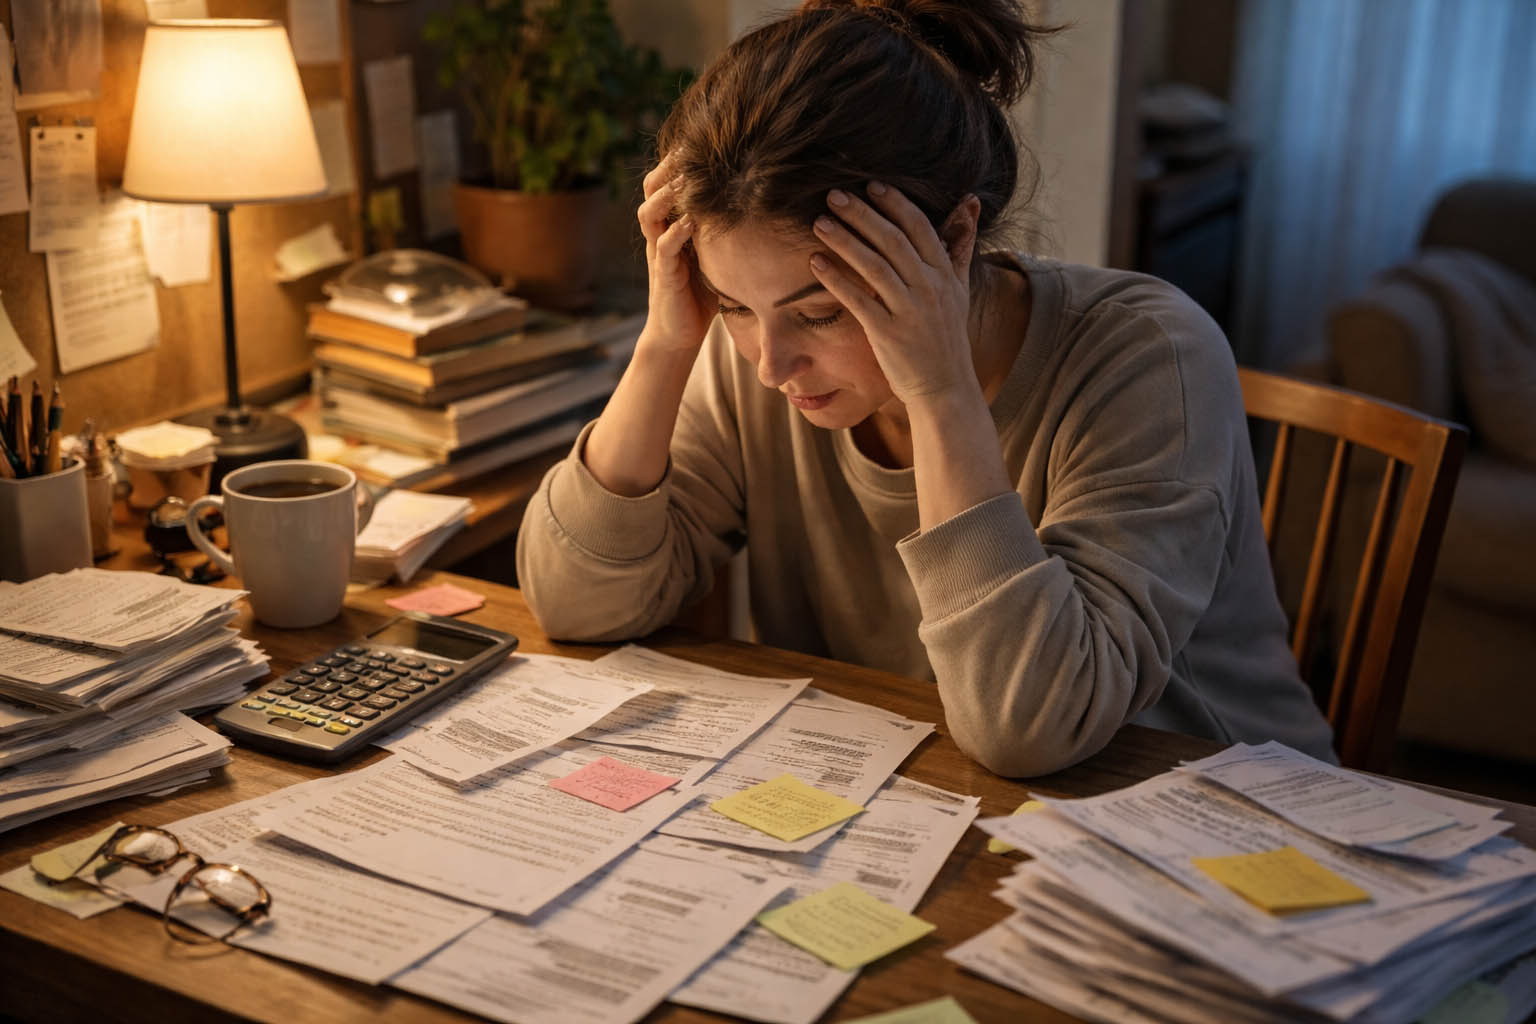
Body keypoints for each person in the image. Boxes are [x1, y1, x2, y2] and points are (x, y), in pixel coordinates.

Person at [516, 0, 1336, 775]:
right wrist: (666, 344)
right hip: (932, 793)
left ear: (953, 239)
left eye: (822, 312)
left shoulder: (1150, 357)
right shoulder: (755, 358)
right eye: (733, 305)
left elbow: (1028, 724)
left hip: (1222, 820)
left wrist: (940, 392)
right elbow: (573, 603)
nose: (770, 363)